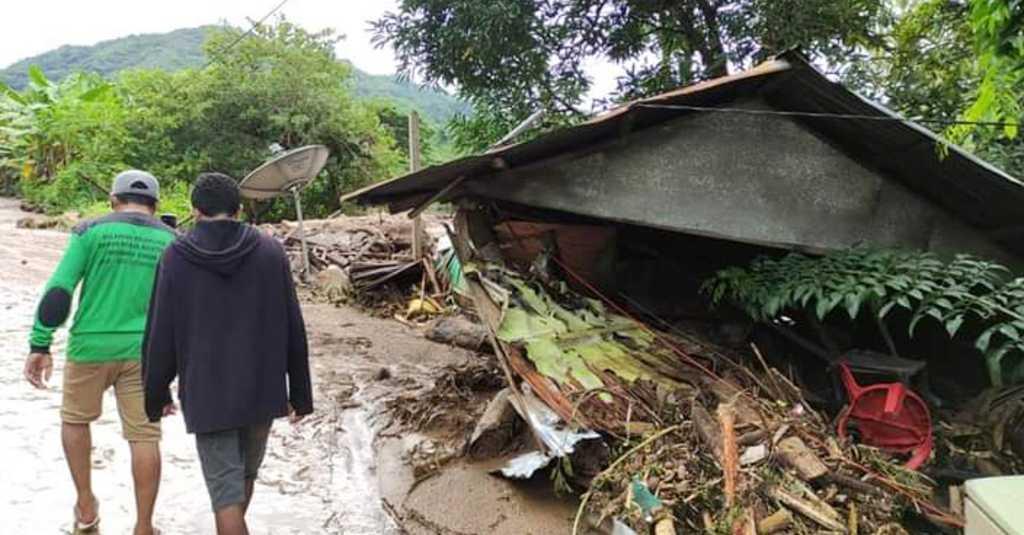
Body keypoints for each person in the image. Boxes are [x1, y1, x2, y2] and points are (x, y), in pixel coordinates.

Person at [143, 172, 313, 535]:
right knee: (242, 482)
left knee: (225, 495)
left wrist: (156, 391)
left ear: (194, 210)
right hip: (262, 388)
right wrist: (299, 392)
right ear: (238, 209)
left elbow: (162, 332)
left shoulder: (176, 256)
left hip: (209, 393)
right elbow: (292, 325)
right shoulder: (270, 251)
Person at [23, 170, 176, 535]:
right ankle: (143, 526)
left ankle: (87, 507)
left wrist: (40, 343)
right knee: (145, 437)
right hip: (145, 351)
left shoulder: (89, 232)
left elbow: (60, 290)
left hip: (89, 346)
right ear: (155, 206)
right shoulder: (171, 241)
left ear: (113, 199)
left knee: (76, 421)